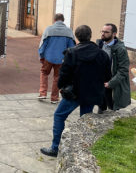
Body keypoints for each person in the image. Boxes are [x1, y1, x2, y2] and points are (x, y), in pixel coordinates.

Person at [40, 25, 111, 157]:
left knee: (59, 115)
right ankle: (83, 149)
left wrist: (61, 87)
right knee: (84, 120)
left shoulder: (72, 53)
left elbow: (64, 74)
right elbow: (107, 76)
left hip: (74, 93)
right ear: (90, 35)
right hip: (92, 92)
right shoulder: (102, 55)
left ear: (77, 37)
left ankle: (55, 147)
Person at [38, 14, 75, 103]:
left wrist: (41, 56)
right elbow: (72, 48)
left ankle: (43, 93)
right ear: (63, 20)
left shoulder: (48, 30)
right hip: (62, 59)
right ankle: (54, 98)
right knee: (57, 77)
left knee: (44, 73)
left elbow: (43, 45)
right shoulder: (69, 31)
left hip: (48, 57)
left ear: (54, 20)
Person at [97, 23, 131, 113]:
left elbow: (123, 70)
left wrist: (111, 83)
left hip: (112, 85)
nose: (103, 34)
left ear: (114, 34)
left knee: (112, 110)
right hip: (100, 83)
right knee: (100, 109)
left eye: (106, 32)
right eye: (102, 31)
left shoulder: (120, 49)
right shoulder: (99, 44)